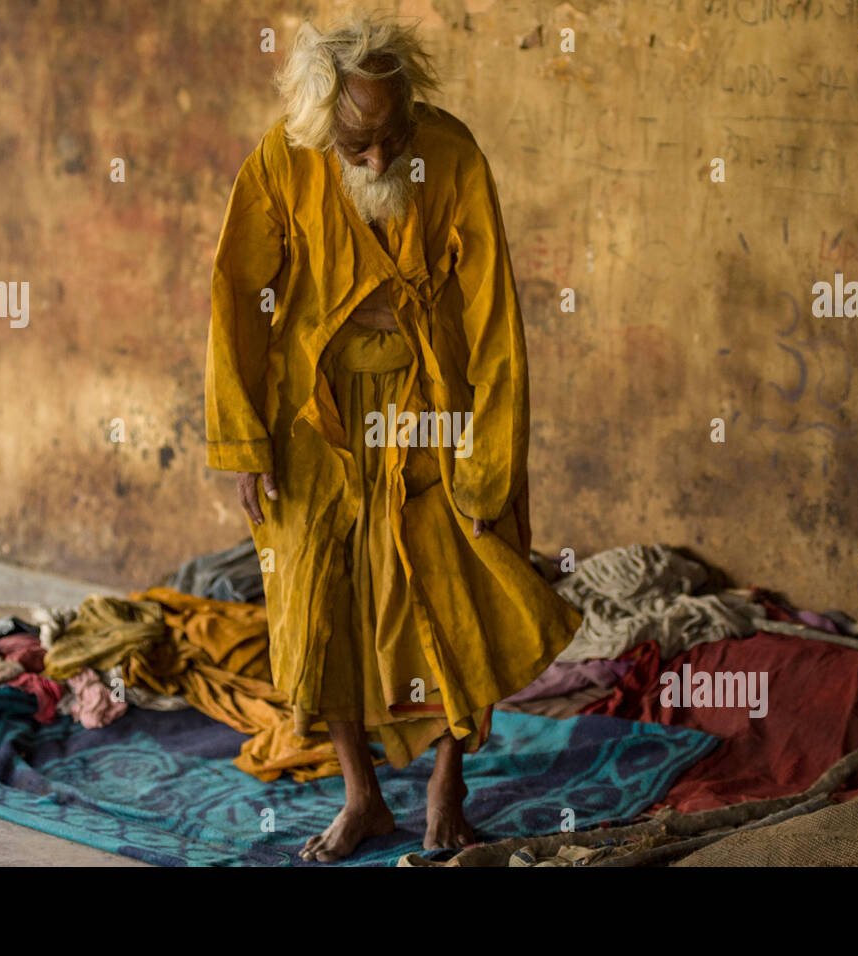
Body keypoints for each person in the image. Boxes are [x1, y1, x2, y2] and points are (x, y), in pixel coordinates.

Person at [204, 12, 580, 862]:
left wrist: (485, 468)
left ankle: (450, 782)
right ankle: (361, 795)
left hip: (434, 413)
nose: (379, 159)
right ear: (316, 122)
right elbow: (236, 298)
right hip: (316, 416)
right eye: (356, 142)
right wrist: (245, 440)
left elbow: (491, 323)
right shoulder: (280, 161)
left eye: (393, 134)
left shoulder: (452, 155)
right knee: (320, 599)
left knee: (457, 591)